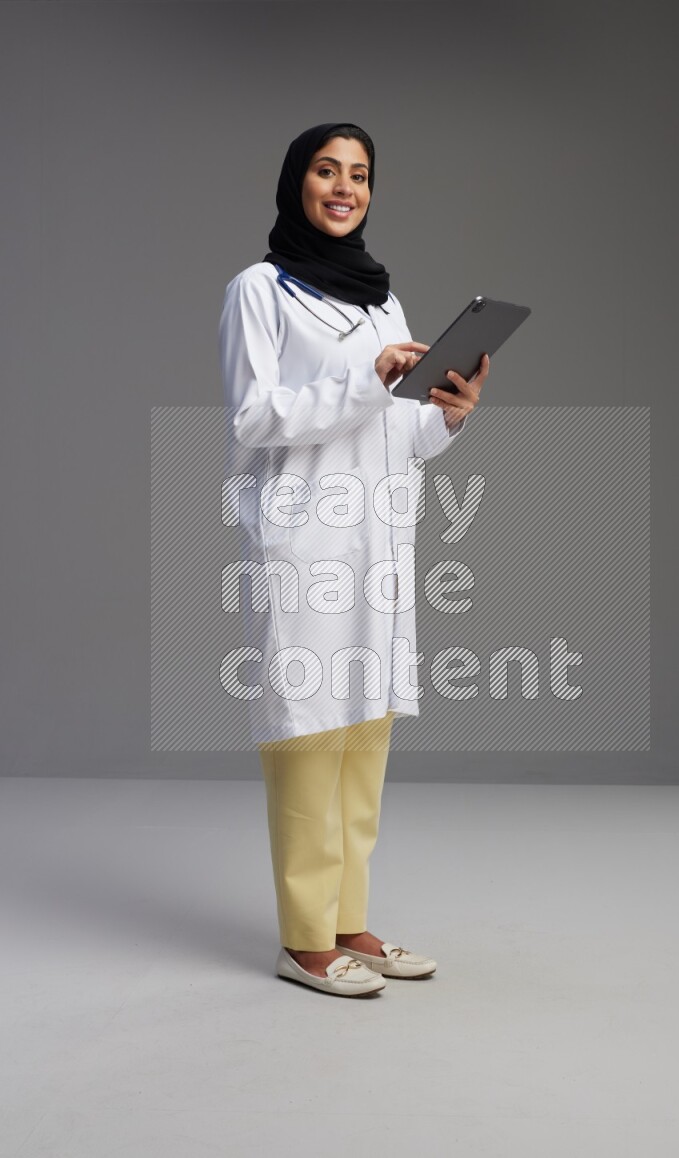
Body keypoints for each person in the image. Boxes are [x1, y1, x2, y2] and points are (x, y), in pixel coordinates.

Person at [218, 122, 489, 997]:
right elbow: (254, 417)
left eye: (361, 175)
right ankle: (303, 939)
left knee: (366, 724)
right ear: (297, 182)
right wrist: (365, 379)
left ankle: (349, 921)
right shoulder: (258, 291)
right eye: (328, 171)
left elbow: (398, 428)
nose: (345, 187)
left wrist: (447, 413)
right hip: (303, 541)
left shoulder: (383, 301)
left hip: (377, 538)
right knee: (306, 728)